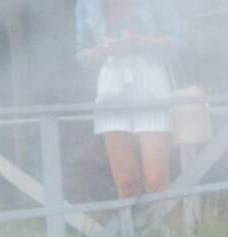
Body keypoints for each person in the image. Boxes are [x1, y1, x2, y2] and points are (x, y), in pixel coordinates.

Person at [77, 0, 188, 201]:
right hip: (111, 81)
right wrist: (100, 50)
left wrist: (140, 42)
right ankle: (132, 231)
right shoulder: (87, 3)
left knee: (156, 180)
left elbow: (180, 40)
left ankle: (162, 230)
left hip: (150, 77)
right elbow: (82, 53)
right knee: (126, 183)